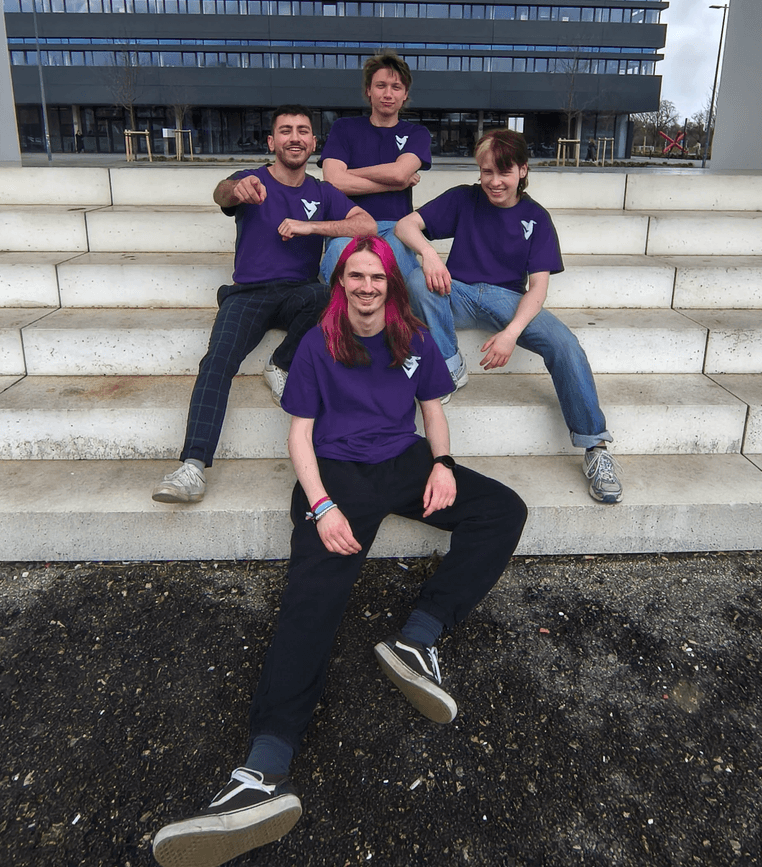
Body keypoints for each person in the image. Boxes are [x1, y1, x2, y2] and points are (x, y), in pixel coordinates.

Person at [151, 236, 527, 867]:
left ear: (390, 284)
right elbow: (299, 435)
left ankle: (418, 637)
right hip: (337, 476)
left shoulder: (411, 337)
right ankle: (260, 774)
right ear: (342, 283)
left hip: (404, 464)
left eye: (376, 277)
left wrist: (443, 464)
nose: (366, 287)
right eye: (355, 276)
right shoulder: (319, 343)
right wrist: (322, 505)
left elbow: (432, 409)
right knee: (311, 604)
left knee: (503, 510)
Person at [151, 105, 375, 504]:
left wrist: (312, 226)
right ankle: (192, 467)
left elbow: (366, 225)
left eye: (303, 131)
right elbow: (221, 191)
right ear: (272, 142)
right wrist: (232, 190)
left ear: (313, 143)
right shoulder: (250, 181)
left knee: (327, 293)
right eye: (285, 131)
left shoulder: (322, 192)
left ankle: (281, 363)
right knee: (217, 361)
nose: (295, 137)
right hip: (249, 294)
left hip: (299, 293)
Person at [395, 128, 623, 504]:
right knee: (419, 280)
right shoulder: (464, 199)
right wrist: (430, 253)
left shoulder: (536, 217)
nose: (494, 181)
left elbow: (537, 288)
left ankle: (595, 447)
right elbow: (406, 225)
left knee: (566, 345)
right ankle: (451, 364)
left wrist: (511, 333)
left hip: (509, 302)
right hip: (459, 294)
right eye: (486, 172)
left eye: (504, 172)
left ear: (522, 171)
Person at [318, 50, 432, 283]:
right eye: (381, 86)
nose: (388, 94)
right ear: (369, 91)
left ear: (405, 94)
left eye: (396, 87)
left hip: (396, 227)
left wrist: (349, 173)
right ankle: (334, 318)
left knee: (405, 276)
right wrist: (394, 184)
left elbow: (400, 172)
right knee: (338, 257)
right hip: (349, 224)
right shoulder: (344, 128)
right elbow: (334, 183)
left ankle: (399, 320)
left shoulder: (416, 133)